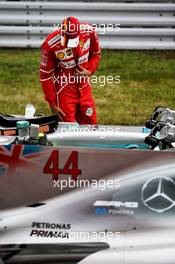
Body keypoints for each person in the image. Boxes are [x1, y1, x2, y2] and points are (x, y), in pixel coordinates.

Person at [40, 16, 101, 124]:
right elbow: (45, 76)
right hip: (64, 89)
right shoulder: (49, 45)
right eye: (66, 39)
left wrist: (89, 71)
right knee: (67, 127)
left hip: (84, 86)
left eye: (72, 40)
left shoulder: (89, 32)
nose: (69, 42)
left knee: (90, 123)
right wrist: (52, 103)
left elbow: (96, 53)